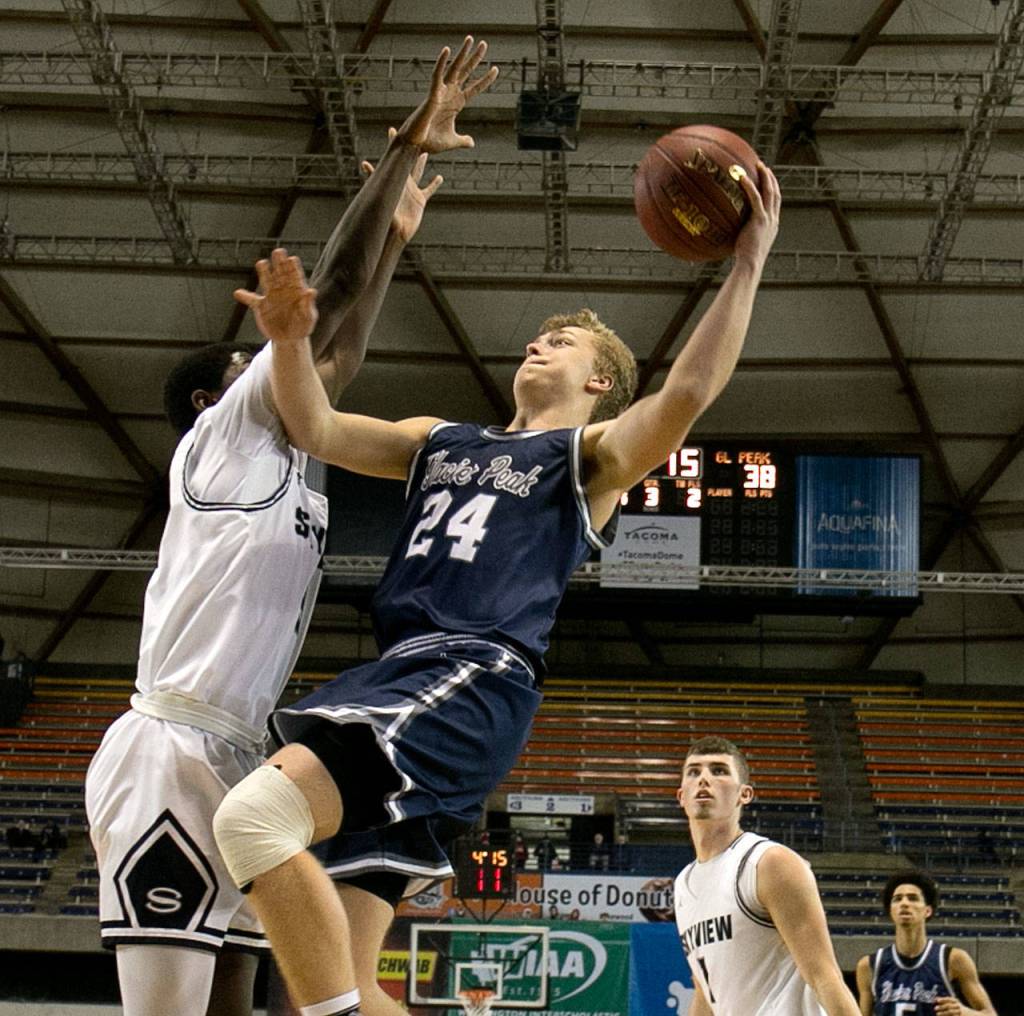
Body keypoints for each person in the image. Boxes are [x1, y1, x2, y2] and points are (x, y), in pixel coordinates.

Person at [212, 125, 780, 1016]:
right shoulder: (439, 440)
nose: (541, 344)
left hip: (469, 676)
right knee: (347, 982)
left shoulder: (586, 460)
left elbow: (686, 397)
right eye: (541, 335)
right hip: (406, 672)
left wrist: (745, 263)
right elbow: (316, 426)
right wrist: (289, 336)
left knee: (252, 821)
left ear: (600, 385)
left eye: (566, 344)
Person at [81, 37, 486, 1016]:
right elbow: (328, 320)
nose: (283, 360)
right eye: (255, 359)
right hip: (169, 749)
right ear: (212, 398)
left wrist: (392, 235)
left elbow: (332, 341)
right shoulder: (222, 440)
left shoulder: (284, 459)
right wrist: (399, 151)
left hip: (230, 754)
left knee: (247, 1001)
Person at [674, 736, 859, 1016]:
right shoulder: (683, 884)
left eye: (719, 770)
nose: (704, 779)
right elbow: (706, 992)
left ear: (744, 794)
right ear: (681, 796)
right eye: (694, 771)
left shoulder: (768, 862)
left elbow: (825, 976)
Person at [855, 870, 997, 1016]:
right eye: (897, 899)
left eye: (912, 898)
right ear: (891, 911)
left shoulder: (953, 959)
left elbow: (990, 1014)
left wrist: (964, 1012)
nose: (904, 903)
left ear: (927, 911)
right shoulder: (869, 966)